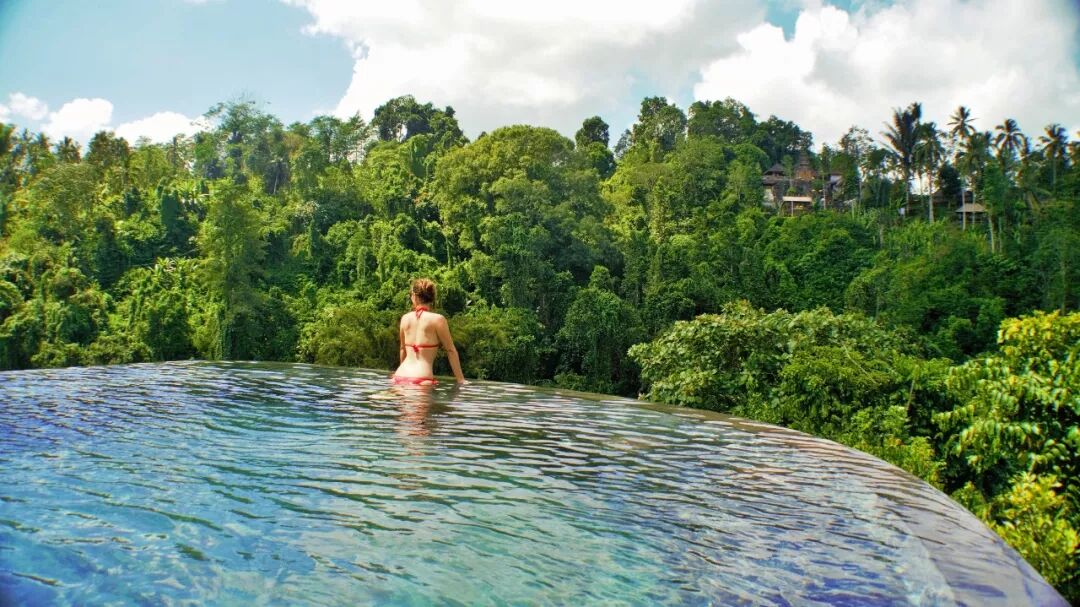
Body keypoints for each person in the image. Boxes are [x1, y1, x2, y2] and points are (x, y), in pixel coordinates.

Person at [392, 278, 466, 385]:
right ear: (432, 297)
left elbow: (403, 349)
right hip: (422, 379)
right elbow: (451, 350)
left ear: (414, 296)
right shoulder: (438, 320)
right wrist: (461, 380)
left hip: (399, 376)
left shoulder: (405, 318)